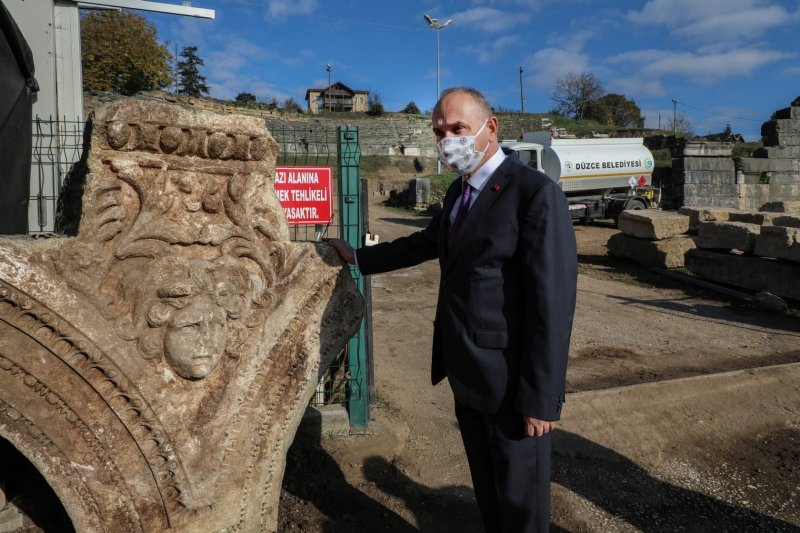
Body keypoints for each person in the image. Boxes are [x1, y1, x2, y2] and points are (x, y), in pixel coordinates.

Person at [329, 87, 577, 532]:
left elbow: (552, 305)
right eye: (439, 131)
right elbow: (426, 244)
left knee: (522, 511)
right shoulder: (460, 195)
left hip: (513, 387)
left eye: (458, 129)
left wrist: (542, 398)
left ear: (490, 128)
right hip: (468, 375)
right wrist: (359, 257)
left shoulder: (533, 194)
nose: (447, 141)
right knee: (489, 494)